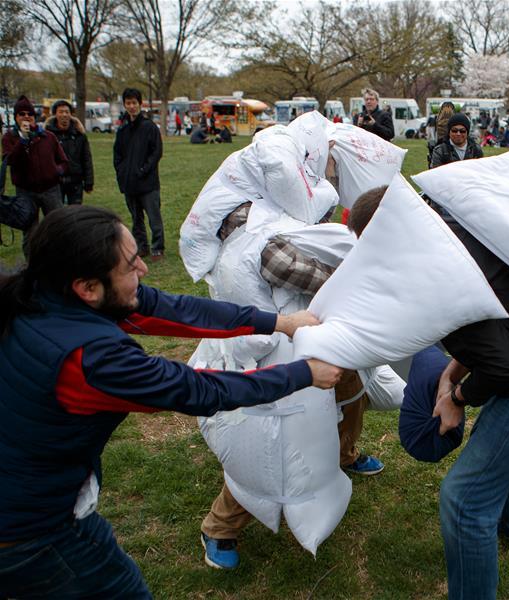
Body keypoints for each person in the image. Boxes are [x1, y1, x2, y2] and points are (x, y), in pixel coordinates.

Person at [0, 206, 342, 599]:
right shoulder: (90, 359)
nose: (143, 269)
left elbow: (181, 310)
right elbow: (199, 390)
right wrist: (303, 375)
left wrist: (278, 322)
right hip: (33, 532)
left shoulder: (42, 294)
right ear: (88, 287)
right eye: (130, 265)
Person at [349, 185, 509, 600]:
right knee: (497, 441)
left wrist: (456, 399)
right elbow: (493, 326)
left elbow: (503, 366)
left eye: (372, 246)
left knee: (464, 499)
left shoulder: (439, 272)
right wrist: (451, 373)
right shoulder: (448, 230)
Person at [200, 199, 385, 570]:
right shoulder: (255, 232)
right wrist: (353, 274)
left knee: (351, 395)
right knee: (271, 441)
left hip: (325, 332)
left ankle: (344, 454)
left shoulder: (309, 202)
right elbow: (285, 267)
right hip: (273, 348)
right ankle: (220, 526)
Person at [1, 95, 66, 250]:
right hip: (25, 191)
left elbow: (63, 161)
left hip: (50, 189)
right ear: (16, 117)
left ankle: (60, 261)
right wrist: (23, 140)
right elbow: (11, 160)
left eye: (29, 114)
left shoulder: (47, 136)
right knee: (30, 232)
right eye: (22, 114)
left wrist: (56, 172)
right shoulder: (9, 138)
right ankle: (31, 266)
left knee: (58, 227)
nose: (26, 117)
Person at [114, 88, 164, 262]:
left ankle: (158, 247)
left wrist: (143, 170)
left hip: (148, 183)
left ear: (140, 104)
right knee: (136, 219)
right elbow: (118, 155)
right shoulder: (122, 130)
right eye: (128, 103)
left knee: (154, 217)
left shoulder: (149, 127)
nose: (132, 106)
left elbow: (156, 152)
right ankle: (142, 246)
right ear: (125, 105)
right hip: (129, 183)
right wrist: (121, 173)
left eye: (134, 102)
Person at [45, 100, 94, 207]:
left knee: (75, 213)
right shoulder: (48, 135)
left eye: (67, 112)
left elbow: (86, 158)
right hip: (55, 182)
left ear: (71, 114)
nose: (64, 115)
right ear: (55, 114)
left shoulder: (79, 135)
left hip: (75, 181)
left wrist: (89, 181)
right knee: (57, 213)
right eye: (61, 112)